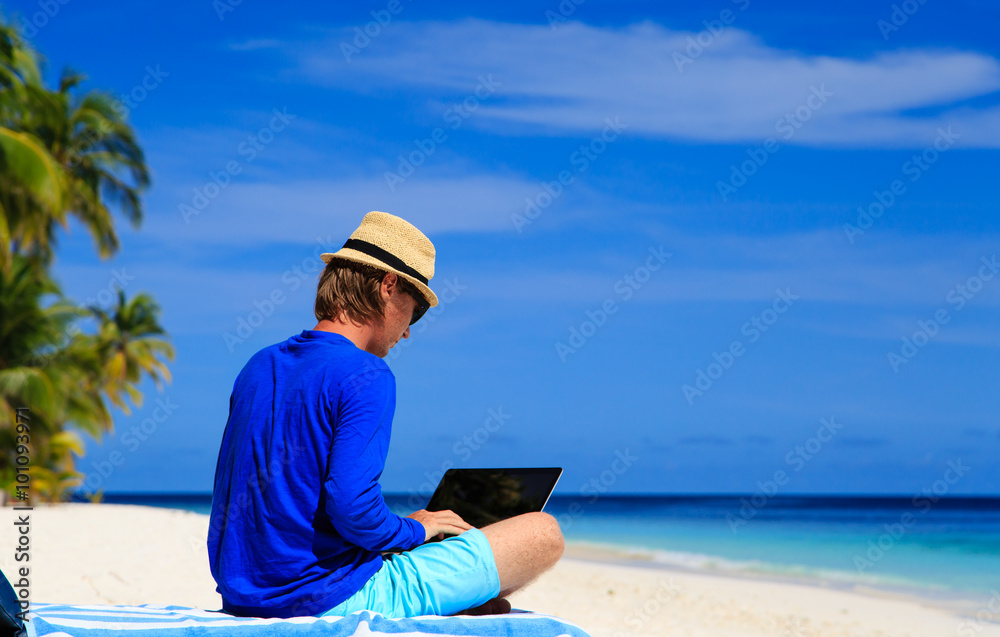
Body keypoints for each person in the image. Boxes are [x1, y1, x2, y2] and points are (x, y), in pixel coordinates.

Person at [207, 211, 564, 619]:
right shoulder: (365, 373)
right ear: (389, 286)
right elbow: (351, 507)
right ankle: (462, 598)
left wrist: (401, 528)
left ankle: (467, 601)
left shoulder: (259, 365)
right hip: (326, 598)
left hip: (243, 596)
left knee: (480, 582)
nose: (409, 329)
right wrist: (419, 530)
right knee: (542, 532)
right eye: (415, 309)